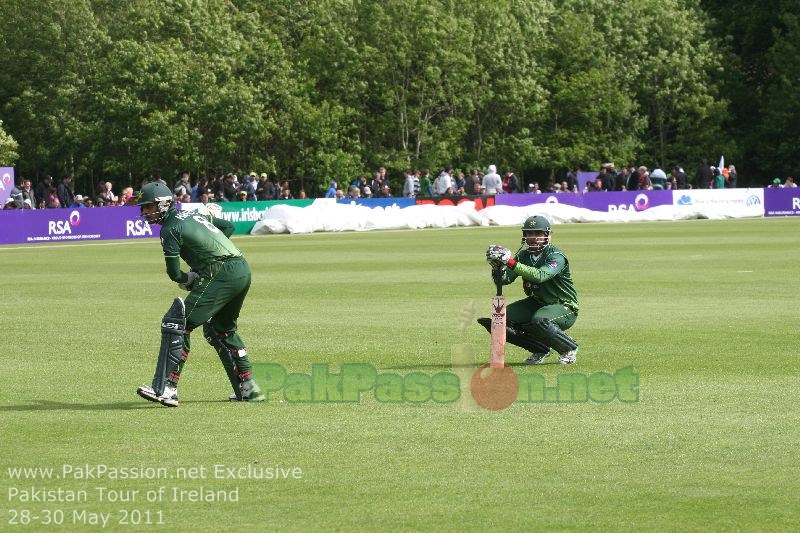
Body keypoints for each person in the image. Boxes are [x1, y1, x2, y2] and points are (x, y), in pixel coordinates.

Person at [134, 182, 264, 407]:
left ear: (163, 205)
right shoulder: (192, 215)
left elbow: (174, 273)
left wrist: (189, 278)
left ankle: (167, 389)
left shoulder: (170, 229)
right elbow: (228, 227)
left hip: (220, 272)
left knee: (178, 323)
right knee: (221, 329)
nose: (144, 212)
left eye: (148, 207)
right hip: (242, 268)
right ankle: (249, 389)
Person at [481, 215, 579, 365]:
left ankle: (569, 348)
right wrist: (497, 267)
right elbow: (506, 279)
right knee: (501, 320)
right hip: (537, 302)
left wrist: (510, 262)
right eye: (529, 233)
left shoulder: (556, 256)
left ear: (548, 235)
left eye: (538, 234)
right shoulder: (523, 255)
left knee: (540, 320)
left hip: (564, 306)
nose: (533, 238)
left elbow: (540, 276)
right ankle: (541, 349)